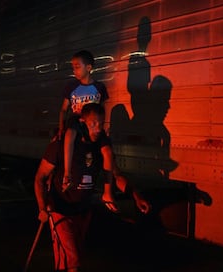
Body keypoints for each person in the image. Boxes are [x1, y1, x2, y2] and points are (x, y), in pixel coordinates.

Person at [35, 103, 151, 272]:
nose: (98, 129)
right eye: (93, 124)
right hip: (60, 209)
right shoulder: (60, 146)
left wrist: (136, 196)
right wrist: (41, 207)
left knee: (76, 257)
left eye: (101, 124)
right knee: (71, 262)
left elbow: (116, 175)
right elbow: (39, 177)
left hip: (83, 211)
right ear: (82, 122)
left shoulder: (100, 149)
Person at [57, 50, 117, 212]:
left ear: (89, 67)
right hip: (78, 121)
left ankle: (107, 192)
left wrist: (105, 126)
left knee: (108, 152)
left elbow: (104, 108)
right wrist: (61, 127)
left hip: (95, 123)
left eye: (77, 67)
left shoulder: (99, 87)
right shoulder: (71, 87)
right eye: (73, 67)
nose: (74, 70)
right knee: (70, 135)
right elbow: (63, 109)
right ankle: (67, 174)